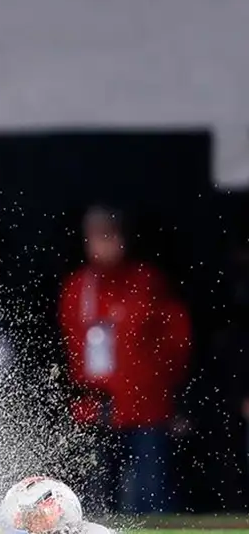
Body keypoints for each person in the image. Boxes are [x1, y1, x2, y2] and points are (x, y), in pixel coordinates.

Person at [58, 205, 191, 516]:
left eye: (109, 236)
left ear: (122, 238)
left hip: (146, 410)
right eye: (95, 237)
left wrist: (170, 394)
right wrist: (84, 397)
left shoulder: (147, 282)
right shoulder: (77, 288)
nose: (103, 245)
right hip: (95, 409)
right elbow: (72, 351)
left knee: (151, 499)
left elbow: (177, 342)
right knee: (97, 505)